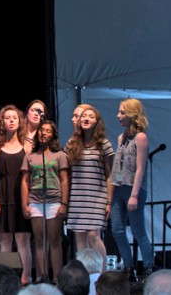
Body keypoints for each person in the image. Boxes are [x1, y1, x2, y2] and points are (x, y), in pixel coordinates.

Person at [0, 105, 33, 285]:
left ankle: (25, 277)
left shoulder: (27, 146)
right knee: (5, 239)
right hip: (3, 195)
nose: (12, 120)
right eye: (8, 118)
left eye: (15, 117)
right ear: (1, 122)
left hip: (21, 196)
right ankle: (6, 278)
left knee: (23, 239)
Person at [110, 98, 155, 279]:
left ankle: (148, 267)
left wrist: (134, 195)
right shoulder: (121, 138)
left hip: (133, 189)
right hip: (119, 187)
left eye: (122, 112)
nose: (119, 116)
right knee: (117, 230)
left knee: (138, 230)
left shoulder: (141, 138)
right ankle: (129, 267)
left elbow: (140, 168)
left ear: (132, 114)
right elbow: (118, 166)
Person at [21, 120, 69, 282]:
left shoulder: (60, 155)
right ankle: (41, 276)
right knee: (39, 240)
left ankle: (56, 277)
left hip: (54, 201)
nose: (44, 133)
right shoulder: (30, 156)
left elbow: (64, 180)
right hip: (35, 201)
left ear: (53, 135)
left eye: (48, 131)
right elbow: (25, 181)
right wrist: (24, 204)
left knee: (54, 240)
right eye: (41, 130)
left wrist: (64, 203)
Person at [65, 105, 113, 257]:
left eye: (91, 116)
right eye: (84, 116)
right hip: (78, 197)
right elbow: (67, 171)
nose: (86, 119)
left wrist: (109, 202)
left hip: (97, 196)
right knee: (80, 237)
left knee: (93, 235)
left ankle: (102, 272)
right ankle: (85, 274)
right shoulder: (72, 143)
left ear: (97, 122)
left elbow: (111, 174)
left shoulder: (104, 144)